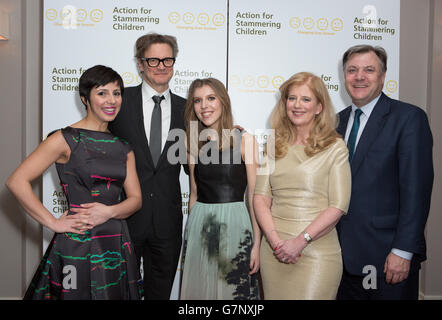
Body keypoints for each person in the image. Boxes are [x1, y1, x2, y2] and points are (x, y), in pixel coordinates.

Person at [6, 65, 142, 299]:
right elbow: (16, 181)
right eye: (102, 93)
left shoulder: (123, 146)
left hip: (116, 242)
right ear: (84, 99)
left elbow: (136, 200)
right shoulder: (65, 139)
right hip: (78, 243)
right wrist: (53, 222)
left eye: (116, 93)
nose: (111, 100)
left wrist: (108, 212)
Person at [336, 45, 433, 300]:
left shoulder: (408, 118)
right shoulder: (336, 122)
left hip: (387, 259)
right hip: (340, 261)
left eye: (369, 70)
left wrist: (403, 251)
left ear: (383, 76)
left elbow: (416, 191)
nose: (359, 77)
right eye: (352, 70)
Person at [253, 72, 351, 299]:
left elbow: (338, 206)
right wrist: (276, 242)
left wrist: (300, 241)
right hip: (274, 252)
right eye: (292, 98)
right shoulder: (273, 144)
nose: (297, 105)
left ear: (319, 107)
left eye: (306, 99)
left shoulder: (335, 147)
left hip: (316, 253)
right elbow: (260, 198)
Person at [108, 33, 188, 300]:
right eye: (153, 59)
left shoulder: (188, 110)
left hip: (168, 220)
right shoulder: (119, 103)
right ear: (140, 64)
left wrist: (231, 138)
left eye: (168, 59)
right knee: (119, 292)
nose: (162, 65)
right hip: (125, 218)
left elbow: (199, 161)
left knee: (160, 294)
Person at [179, 78, 261, 300]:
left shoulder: (245, 140)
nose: (204, 106)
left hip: (235, 226)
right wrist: (189, 238)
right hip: (200, 227)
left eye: (211, 98)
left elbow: (254, 196)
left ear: (223, 101)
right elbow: (194, 194)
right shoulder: (191, 143)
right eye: (198, 100)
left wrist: (256, 244)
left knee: (232, 293)